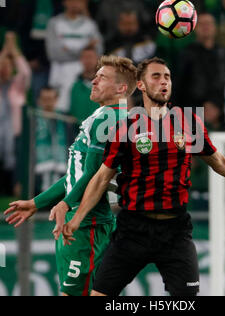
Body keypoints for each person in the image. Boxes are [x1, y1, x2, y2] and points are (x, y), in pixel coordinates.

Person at [62, 57, 225, 297]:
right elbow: (102, 178)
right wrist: (77, 217)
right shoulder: (126, 127)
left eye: (167, 77)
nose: (164, 82)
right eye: (156, 76)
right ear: (141, 85)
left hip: (175, 231)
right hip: (133, 229)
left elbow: (220, 163)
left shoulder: (188, 122)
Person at [4, 55, 137, 297]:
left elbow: (94, 174)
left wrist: (66, 203)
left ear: (121, 88)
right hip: (82, 221)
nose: (94, 81)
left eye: (102, 78)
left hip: (88, 224)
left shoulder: (109, 119)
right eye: (95, 76)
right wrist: (37, 203)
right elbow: (74, 176)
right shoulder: (102, 117)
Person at [46, 0, 104, 113]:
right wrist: (85, 48)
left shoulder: (90, 24)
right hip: (60, 75)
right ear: (65, 2)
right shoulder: (54, 23)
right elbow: (54, 53)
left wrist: (69, 50)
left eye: (79, 0)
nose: (75, 3)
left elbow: (98, 51)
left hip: (84, 77)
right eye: (72, 0)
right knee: (61, 114)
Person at [18, 0, 66, 104]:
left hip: (64, 62)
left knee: (63, 101)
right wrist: (30, 57)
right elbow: (24, 30)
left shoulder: (70, 0)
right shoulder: (32, 1)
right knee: (40, 100)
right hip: (39, 62)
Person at [177, 13, 225, 108]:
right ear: (195, 28)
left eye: (209, 23)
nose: (205, 27)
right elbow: (179, 86)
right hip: (192, 109)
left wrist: (216, 104)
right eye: (201, 24)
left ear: (215, 28)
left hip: (221, 109)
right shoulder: (186, 54)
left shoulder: (224, 54)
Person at [0, 32, 31, 196]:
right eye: (2, 66)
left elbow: (25, 72)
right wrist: (6, 49)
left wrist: (14, 50)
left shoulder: (17, 86)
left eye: (8, 66)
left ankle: (15, 190)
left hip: (16, 134)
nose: (5, 69)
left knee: (17, 164)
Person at [35, 87, 68, 195]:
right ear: (39, 100)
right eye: (45, 99)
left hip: (61, 166)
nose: (48, 102)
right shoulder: (32, 118)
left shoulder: (64, 119)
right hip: (37, 167)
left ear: (56, 99)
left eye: (50, 99)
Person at [69, 47, 100, 123]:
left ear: (97, 59)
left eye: (90, 57)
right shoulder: (74, 85)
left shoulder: (105, 84)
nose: (88, 60)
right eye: (85, 57)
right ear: (80, 60)